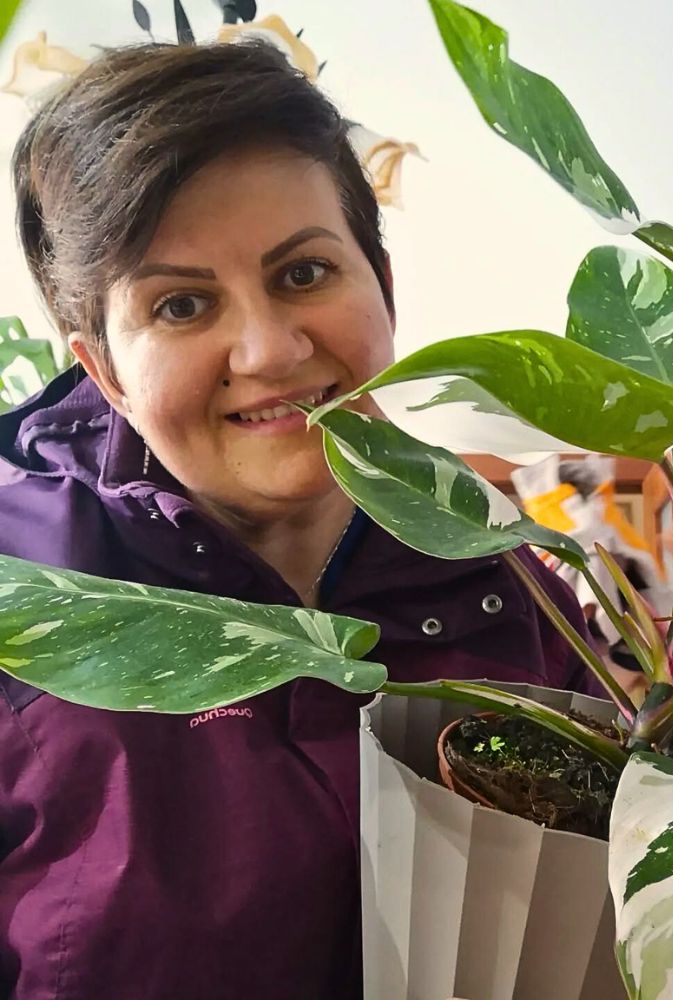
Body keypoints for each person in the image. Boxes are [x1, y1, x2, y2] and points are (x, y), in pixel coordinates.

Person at [0, 41, 596, 999]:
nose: (271, 351)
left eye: (305, 273)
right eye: (183, 304)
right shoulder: (24, 592)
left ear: (383, 286)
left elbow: (660, 869)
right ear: (104, 369)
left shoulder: (498, 571)